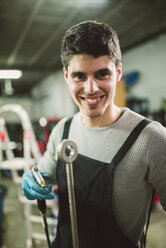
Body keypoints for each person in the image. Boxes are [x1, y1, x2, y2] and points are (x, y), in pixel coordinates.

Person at [21, 20, 166, 248]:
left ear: (118, 73)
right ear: (66, 75)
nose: (91, 89)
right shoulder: (62, 131)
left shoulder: (150, 138)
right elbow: (44, 175)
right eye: (79, 76)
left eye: (101, 74)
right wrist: (34, 180)